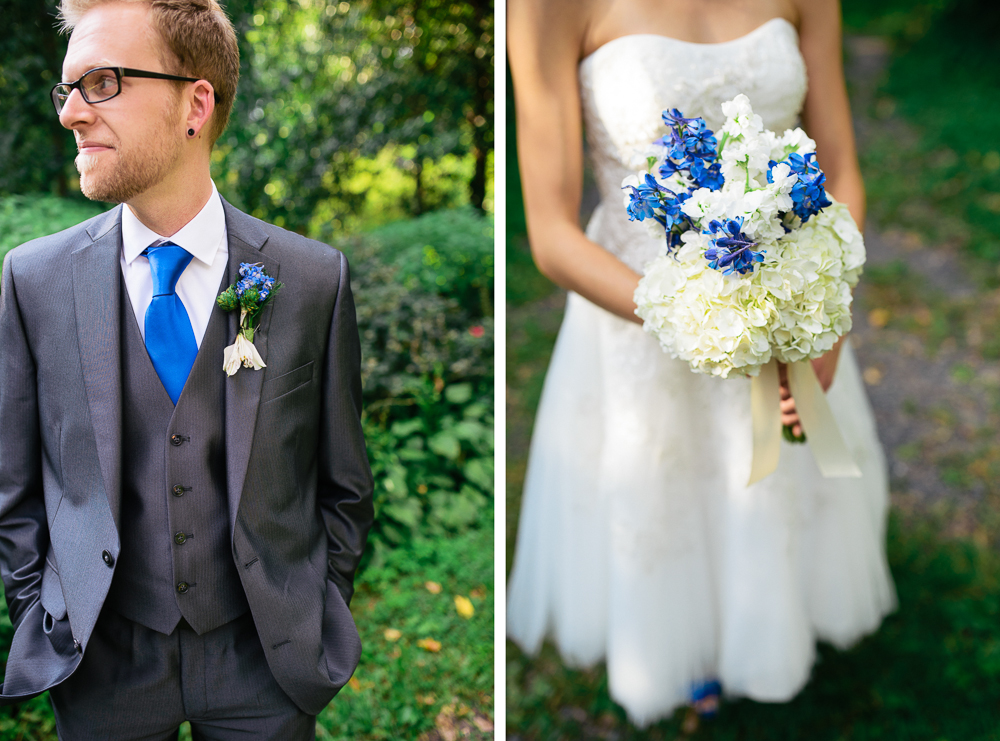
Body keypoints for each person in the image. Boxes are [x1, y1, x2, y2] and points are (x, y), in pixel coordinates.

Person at [506, 0, 897, 727]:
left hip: (788, 296)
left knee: (783, 476)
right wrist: (697, 318)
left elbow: (840, 165)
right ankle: (685, 650)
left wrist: (826, 311)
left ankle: (777, 621)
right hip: (639, 308)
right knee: (668, 483)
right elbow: (552, 233)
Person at [0, 0, 373, 737]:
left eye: (102, 82)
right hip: (103, 662)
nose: (72, 112)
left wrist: (316, 600)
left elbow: (343, 481)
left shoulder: (310, 278)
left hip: (264, 660)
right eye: (68, 88)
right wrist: (46, 607)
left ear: (194, 102)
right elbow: (14, 488)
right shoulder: (32, 280)